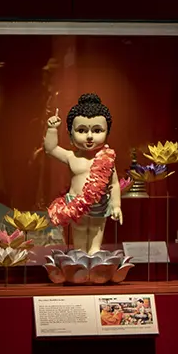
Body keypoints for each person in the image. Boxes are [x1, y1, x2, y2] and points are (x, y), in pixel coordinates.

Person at [45, 93, 124, 253]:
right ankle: (80, 261)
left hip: (99, 204)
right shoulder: (71, 156)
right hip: (76, 203)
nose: (89, 136)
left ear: (107, 132)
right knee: (80, 235)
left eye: (96, 130)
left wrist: (116, 205)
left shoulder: (107, 158)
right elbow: (51, 149)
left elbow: (114, 183)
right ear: (70, 133)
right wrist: (52, 129)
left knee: (96, 232)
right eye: (81, 130)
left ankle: (94, 260)